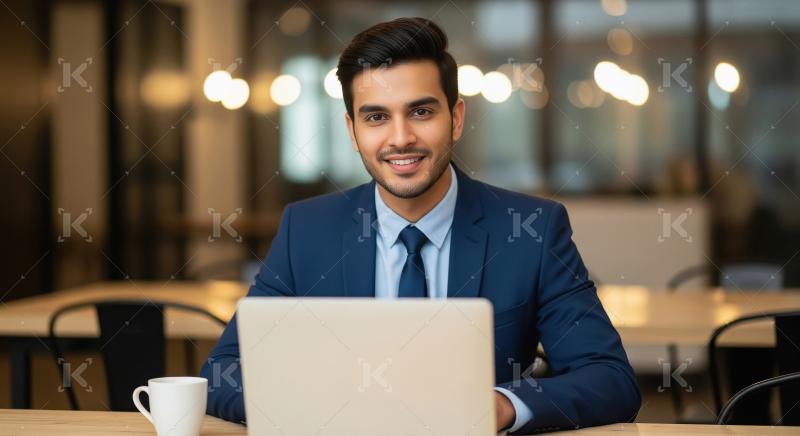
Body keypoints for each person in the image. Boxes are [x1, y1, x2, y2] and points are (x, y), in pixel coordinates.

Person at [201, 17, 640, 434]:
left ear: (457, 118)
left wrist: (501, 406)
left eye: (421, 112)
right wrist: (320, 403)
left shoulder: (531, 229)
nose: (400, 138)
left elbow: (610, 380)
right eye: (376, 117)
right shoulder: (306, 229)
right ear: (352, 131)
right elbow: (222, 373)